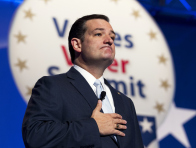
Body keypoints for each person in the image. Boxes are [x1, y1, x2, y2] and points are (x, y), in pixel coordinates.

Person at [22, 14, 144, 148]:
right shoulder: (53, 86)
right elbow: (35, 136)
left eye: (113, 37)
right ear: (77, 44)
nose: (109, 40)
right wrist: (93, 127)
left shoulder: (125, 102)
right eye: (98, 34)